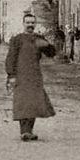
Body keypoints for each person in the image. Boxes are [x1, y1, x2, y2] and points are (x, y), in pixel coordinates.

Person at [5, 13, 57, 141]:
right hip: (21, 75)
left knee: (33, 102)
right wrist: (11, 75)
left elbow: (51, 53)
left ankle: (29, 131)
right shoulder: (17, 39)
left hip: (35, 75)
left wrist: (47, 45)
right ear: (23, 24)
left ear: (35, 24)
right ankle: (24, 132)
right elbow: (11, 57)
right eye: (28, 23)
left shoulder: (39, 38)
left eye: (32, 23)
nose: (30, 25)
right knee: (23, 103)